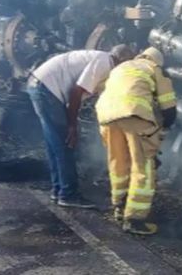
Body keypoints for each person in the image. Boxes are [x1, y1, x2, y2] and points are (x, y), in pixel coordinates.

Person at [27, 44, 135, 208]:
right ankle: (68, 194)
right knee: (66, 143)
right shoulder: (104, 62)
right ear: (121, 60)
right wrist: (72, 125)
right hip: (47, 90)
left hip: (41, 86)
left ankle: (58, 190)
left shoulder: (103, 62)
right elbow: (76, 92)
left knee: (55, 146)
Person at [95, 46, 177, 235]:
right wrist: (163, 130)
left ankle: (119, 207)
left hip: (106, 117)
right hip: (133, 115)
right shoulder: (155, 70)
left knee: (119, 163)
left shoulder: (122, 67)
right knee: (143, 167)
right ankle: (135, 219)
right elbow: (169, 109)